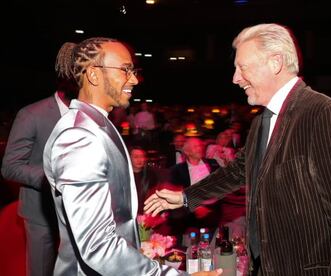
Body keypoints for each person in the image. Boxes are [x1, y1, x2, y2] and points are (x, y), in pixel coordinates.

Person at [145, 23, 331, 275]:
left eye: (242, 67)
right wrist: (186, 197)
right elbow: (239, 170)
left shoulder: (323, 115)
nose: (235, 78)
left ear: (275, 63)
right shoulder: (262, 121)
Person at [42, 37, 221, 276]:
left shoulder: (97, 125)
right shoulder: (79, 136)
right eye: (126, 70)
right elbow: (97, 246)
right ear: (94, 75)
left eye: (133, 71)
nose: (135, 79)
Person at [1, 43, 77, 276]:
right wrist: (52, 177)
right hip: (40, 214)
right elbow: (10, 167)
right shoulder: (31, 114)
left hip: (78, 214)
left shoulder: (89, 116)